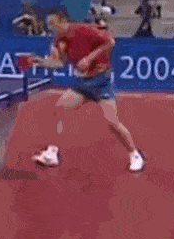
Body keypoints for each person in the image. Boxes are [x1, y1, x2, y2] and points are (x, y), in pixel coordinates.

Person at [25, 11, 146, 172]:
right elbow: (58, 63)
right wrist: (38, 61)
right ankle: (52, 153)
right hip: (81, 84)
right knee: (59, 110)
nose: (50, 28)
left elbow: (110, 42)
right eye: (49, 25)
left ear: (63, 21)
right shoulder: (58, 40)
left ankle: (135, 155)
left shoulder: (84, 29)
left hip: (101, 82)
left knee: (111, 122)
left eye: (52, 24)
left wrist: (89, 58)